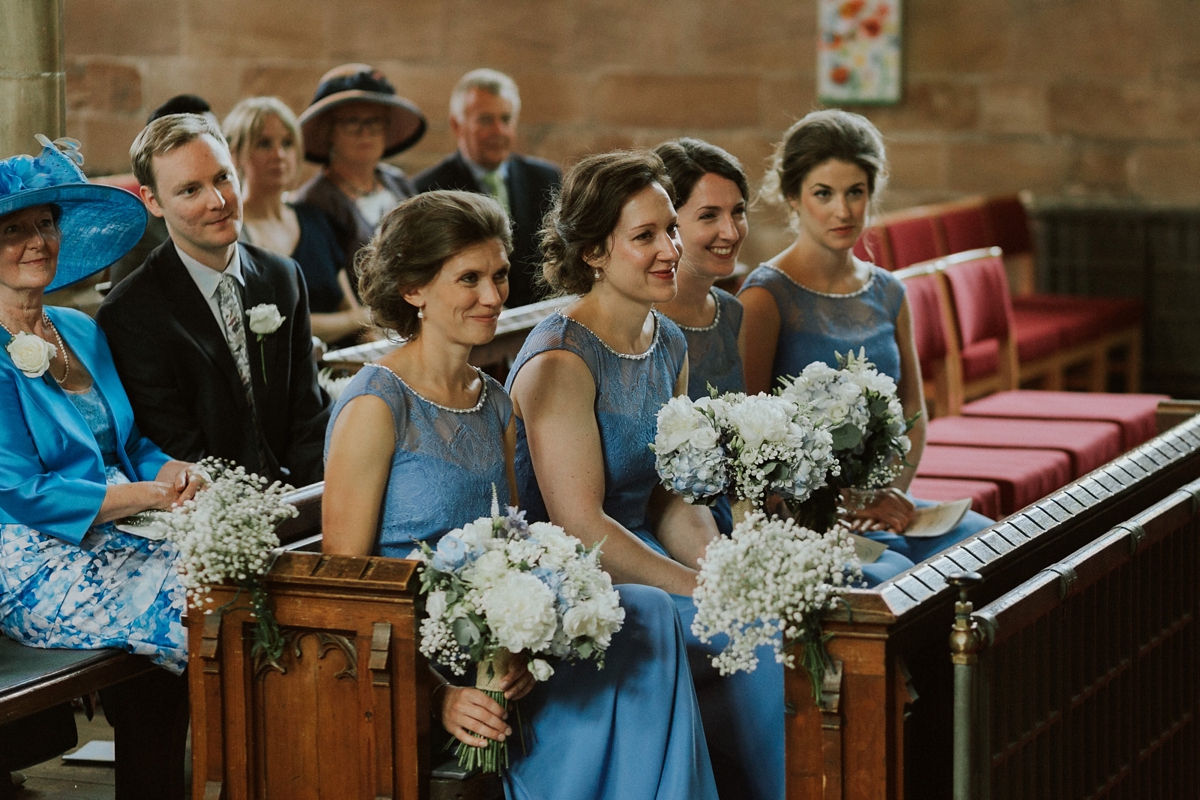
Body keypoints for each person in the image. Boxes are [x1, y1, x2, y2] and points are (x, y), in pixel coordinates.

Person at [322, 190, 718, 800]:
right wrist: (437, 696)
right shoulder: (378, 404)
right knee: (649, 624)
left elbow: (514, 548)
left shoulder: (495, 402)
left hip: (504, 653)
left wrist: (517, 644)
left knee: (648, 619)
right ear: (413, 290)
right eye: (469, 279)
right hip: (415, 664)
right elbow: (343, 596)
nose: (493, 297)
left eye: (500, 276)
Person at [504, 150, 782, 800]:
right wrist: (695, 588)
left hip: (645, 548)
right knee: (735, 632)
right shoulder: (561, 359)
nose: (670, 249)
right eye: (646, 236)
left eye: (670, 230)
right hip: (579, 580)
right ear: (595, 252)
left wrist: (729, 573)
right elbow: (579, 522)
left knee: (764, 624)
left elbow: (672, 501)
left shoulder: (668, 341)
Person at [0, 135, 201, 799]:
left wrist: (173, 471)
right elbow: (24, 492)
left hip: (122, 528)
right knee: (203, 612)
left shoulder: (81, 330)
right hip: (36, 557)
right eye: (14, 229)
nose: (37, 241)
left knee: (234, 577)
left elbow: (132, 441)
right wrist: (143, 496)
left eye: (46, 224)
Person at [739, 109, 991, 565]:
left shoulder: (889, 291)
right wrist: (844, 505)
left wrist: (891, 493)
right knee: (900, 580)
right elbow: (750, 442)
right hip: (800, 514)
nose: (843, 210)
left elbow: (913, 409)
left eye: (856, 192)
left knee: (987, 544)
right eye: (824, 193)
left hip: (880, 504)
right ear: (793, 196)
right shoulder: (766, 295)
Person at [96, 113, 331, 487]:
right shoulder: (130, 313)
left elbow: (309, 414)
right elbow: (176, 445)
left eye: (223, 177)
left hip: (303, 492)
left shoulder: (282, 277)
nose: (218, 201)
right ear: (153, 201)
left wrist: (316, 501)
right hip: (211, 508)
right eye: (190, 190)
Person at [223, 96, 372, 348]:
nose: (279, 154)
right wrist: (355, 320)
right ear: (235, 154)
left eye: (288, 143)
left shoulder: (314, 218)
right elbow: (272, 324)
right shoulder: (231, 230)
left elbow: (349, 307)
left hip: (339, 362)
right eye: (264, 144)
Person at [414, 69, 562, 309]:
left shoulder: (545, 178)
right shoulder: (429, 191)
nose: (498, 131)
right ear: (456, 125)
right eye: (485, 120)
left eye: (505, 119)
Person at [292, 64, 426, 292]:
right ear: (328, 131)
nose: (366, 133)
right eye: (353, 122)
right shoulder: (315, 201)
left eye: (374, 122)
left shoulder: (399, 183)